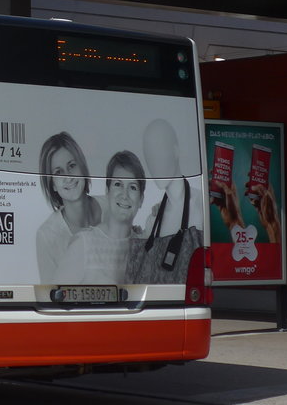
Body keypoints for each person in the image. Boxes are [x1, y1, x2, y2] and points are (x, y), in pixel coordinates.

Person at [126, 118, 202, 284]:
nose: (153, 162)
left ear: (175, 151)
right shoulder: (153, 219)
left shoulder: (200, 206)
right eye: (148, 155)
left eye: (159, 151)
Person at [55, 151, 142, 284]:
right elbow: (55, 297)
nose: (125, 195)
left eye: (133, 187)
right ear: (107, 192)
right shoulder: (84, 244)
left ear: (141, 200)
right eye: (118, 184)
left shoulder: (143, 249)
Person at [35, 132, 101, 283]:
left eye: (72, 166)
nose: (68, 176)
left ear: (82, 167)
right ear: (52, 184)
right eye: (58, 172)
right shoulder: (47, 236)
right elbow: (50, 295)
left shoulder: (111, 207)